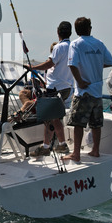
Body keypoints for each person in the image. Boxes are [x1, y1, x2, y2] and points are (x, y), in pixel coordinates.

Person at [63, 17, 112, 162]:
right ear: (89, 28)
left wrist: (80, 81)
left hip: (83, 92)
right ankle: (95, 150)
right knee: (96, 124)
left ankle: (76, 153)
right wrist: (95, 65)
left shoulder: (76, 44)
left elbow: (72, 64)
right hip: (97, 92)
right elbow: (109, 62)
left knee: (78, 124)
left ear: (77, 30)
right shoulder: (99, 43)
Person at [28, 21, 74, 156]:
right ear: (70, 33)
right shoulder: (72, 46)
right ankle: (58, 145)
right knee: (55, 118)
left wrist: (33, 68)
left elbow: (49, 63)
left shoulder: (59, 47)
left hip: (55, 88)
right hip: (67, 87)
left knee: (49, 117)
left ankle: (49, 147)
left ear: (58, 32)